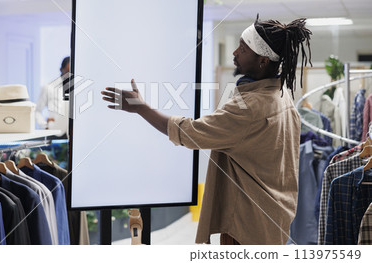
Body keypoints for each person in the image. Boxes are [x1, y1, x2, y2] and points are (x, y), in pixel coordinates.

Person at [101, 16, 312, 245]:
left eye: (242, 49)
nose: (234, 53)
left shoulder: (250, 107)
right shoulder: (282, 95)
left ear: (262, 61)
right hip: (274, 220)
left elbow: (189, 132)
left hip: (247, 226)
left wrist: (142, 108)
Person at [35, 56, 70, 137]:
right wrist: (44, 125)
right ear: (61, 70)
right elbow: (37, 111)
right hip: (54, 132)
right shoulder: (49, 87)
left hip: (71, 134)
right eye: (68, 71)